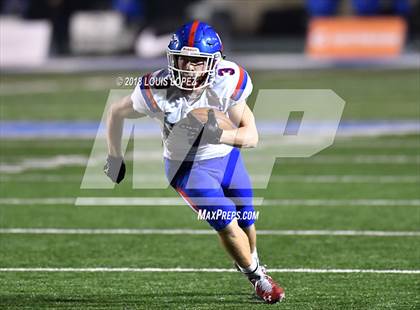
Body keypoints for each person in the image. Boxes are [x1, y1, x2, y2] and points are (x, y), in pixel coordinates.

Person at [104, 20, 285, 304]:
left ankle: (253, 262)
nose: (188, 68)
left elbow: (251, 137)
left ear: (213, 64)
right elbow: (116, 112)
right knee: (225, 223)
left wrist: (215, 134)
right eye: (183, 60)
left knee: (247, 218)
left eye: (196, 61)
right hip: (186, 167)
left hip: (226, 159)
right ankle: (258, 278)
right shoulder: (156, 89)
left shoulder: (228, 80)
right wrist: (114, 157)